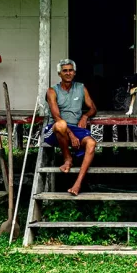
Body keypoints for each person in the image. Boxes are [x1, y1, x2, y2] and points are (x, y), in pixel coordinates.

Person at [44, 59, 98, 195]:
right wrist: (71, 135)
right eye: (65, 71)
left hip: (75, 128)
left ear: (74, 73)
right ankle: (67, 159)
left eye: (70, 70)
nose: (68, 73)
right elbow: (57, 117)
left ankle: (78, 184)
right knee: (61, 124)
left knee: (91, 143)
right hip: (55, 129)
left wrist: (85, 116)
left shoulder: (81, 87)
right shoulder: (52, 91)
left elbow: (93, 108)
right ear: (59, 74)